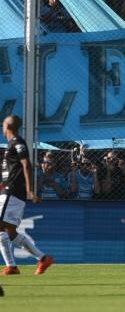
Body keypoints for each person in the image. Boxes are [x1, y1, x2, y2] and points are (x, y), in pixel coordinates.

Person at [0, 116, 55, 275]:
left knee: (2, 229)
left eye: (3, 124)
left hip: (12, 191)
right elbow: (13, 170)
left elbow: (27, 165)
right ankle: (43, 259)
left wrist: (30, 191)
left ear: (8, 126)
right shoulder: (11, 144)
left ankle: (12, 266)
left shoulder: (18, 142)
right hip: (7, 190)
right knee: (10, 232)